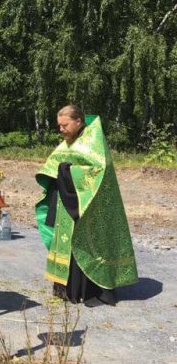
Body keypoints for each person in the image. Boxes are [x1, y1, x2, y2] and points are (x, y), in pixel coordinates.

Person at [36, 105, 138, 307]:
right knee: (66, 242)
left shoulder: (92, 142)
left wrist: (65, 170)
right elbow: (57, 161)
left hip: (88, 204)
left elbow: (97, 169)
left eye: (65, 125)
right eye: (59, 126)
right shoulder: (71, 142)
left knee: (85, 243)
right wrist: (61, 170)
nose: (61, 130)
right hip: (68, 198)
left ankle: (87, 289)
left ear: (78, 122)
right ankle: (67, 289)